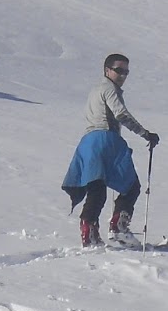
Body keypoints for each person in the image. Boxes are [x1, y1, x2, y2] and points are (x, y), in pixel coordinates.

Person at [61, 54, 160, 247]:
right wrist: (145, 133)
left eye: (126, 72)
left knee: (96, 188)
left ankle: (89, 232)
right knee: (131, 186)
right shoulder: (109, 89)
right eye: (119, 70)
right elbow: (121, 114)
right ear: (107, 70)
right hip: (106, 139)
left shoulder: (95, 90)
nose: (123, 75)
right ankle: (119, 226)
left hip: (88, 143)